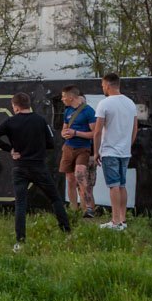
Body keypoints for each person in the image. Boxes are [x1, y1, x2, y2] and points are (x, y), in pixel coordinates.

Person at [0, 93, 71, 251]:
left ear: (16, 106)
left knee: (20, 203)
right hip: (39, 166)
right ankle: (66, 231)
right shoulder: (40, 120)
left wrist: (10, 149)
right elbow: (51, 143)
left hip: (20, 167)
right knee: (55, 199)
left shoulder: (10, 121)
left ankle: (20, 240)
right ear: (28, 104)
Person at [92, 73, 138, 231]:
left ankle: (115, 221)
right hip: (124, 152)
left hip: (109, 150)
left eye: (103, 85)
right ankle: (123, 219)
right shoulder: (130, 103)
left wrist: (96, 151)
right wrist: (127, 145)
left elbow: (97, 131)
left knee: (113, 186)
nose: (103, 88)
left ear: (108, 85)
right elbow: (135, 128)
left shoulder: (104, 104)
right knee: (122, 185)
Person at [59, 86, 98, 220]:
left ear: (71, 97)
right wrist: (64, 134)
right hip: (68, 148)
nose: (62, 99)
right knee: (70, 179)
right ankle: (73, 209)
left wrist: (76, 133)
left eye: (64, 96)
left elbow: (94, 133)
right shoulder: (67, 111)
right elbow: (64, 130)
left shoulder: (89, 111)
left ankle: (88, 208)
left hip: (83, 148)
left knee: (80, 175)